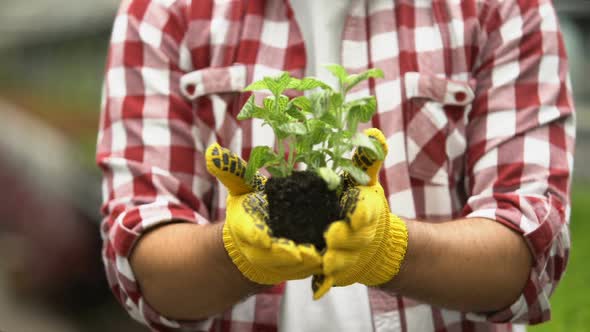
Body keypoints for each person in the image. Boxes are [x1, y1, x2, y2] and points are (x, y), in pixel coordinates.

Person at [96, 0, 575, 331]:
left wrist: (389, 249)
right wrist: (235, 252)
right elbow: (139, 257)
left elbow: (530, 247)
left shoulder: (502, 8)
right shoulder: (166, 12)